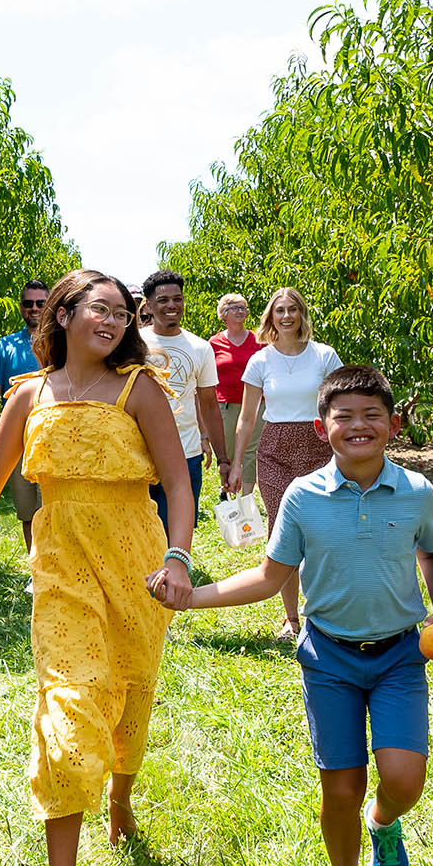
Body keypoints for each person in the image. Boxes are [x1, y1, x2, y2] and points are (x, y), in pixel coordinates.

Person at [0, 268, 194, 866]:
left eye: (122, 313)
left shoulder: (140, 389)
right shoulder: (29, 395)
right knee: (67, 709)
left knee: (130, 694)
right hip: (60, 569)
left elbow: (176, 482)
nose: (112, 321)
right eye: (99, 309)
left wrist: (177, 558)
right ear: (64, 313)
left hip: (135, 563)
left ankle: (120, 796)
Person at [155, 365, 433, 866]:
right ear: (322, 428)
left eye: (372, 415)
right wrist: (192, 598)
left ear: (394, 425)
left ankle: (383, 822)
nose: (358, 425)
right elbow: (270, 576)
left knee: (403, 779)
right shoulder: (302, 496)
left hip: (399, 655)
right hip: (329, 658)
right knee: (341, 787)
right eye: (344, 416)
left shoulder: (415, 492)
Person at [230, 287, 343, 640]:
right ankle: (291, 618)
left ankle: (323, 610)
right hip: (275, 450)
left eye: (293, 309)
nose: (286, 316)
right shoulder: (260, 361)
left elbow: (341, 404)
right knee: (284, 531)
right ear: (271, 317)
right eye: (279, 310)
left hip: (318, 447)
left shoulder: (324, 355)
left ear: (302, 314)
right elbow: (247, 418)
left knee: (323, 530)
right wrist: (237, 464)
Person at [137, 268, 230, 531]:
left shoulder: (200, 348)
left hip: (186, 453)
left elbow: (209, 404)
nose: (172, 305)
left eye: (177, 299)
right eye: (163, 300)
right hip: (139, 451)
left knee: (178, 529)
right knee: (139, 532)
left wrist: (223, 458)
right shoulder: (134, 344)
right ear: (149, 305)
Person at [0, 280, 50, 552]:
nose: (34, 308)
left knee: (53, 508)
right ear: (21, 307)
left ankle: (55, 564)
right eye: (28, 303)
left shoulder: (64, 342)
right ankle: (36, 565)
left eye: (40, 303)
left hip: (53, 434)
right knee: (27, 509)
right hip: (18, 436)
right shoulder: (5, 346)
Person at [208, 293, 262, 500]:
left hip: (255, 404)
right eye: (235, 308)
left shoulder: (259, 340)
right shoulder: (214, 343)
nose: (240, 311)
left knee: (251, 451)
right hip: (226, 404)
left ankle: (247, 498)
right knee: (229, 451)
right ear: (223, 314)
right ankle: (229, 491)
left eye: (243, 308)